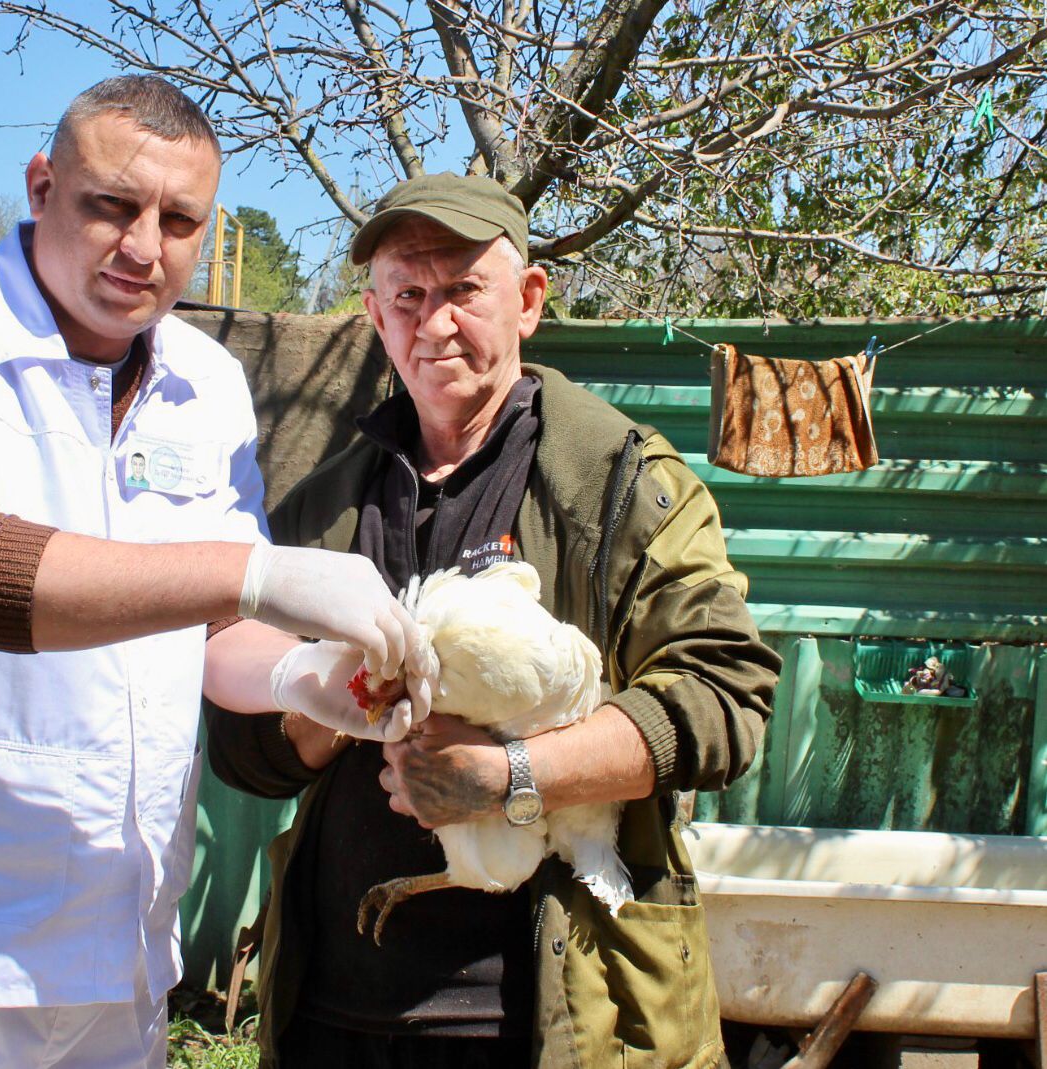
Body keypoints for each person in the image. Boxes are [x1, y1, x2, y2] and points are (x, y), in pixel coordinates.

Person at [0, 77, 431, 1069]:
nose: (143, 248)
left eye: (179, 221)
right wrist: (254, 571)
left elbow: (218, 630)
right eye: (111, 206)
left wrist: (303, 678)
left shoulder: (203, 384)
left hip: (118, 962)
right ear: (42, 187)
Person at [205, 174, 782, 1068]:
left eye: (464, 290)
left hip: (555, 1021)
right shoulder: (323, 505)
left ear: (530, 301)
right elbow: (242, 750)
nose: (434, 324)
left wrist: (513, 775)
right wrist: (329, 704)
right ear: (374, 313)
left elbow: (725, 698)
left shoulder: (619, 484)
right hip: (331, 1012)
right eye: (408, 295)